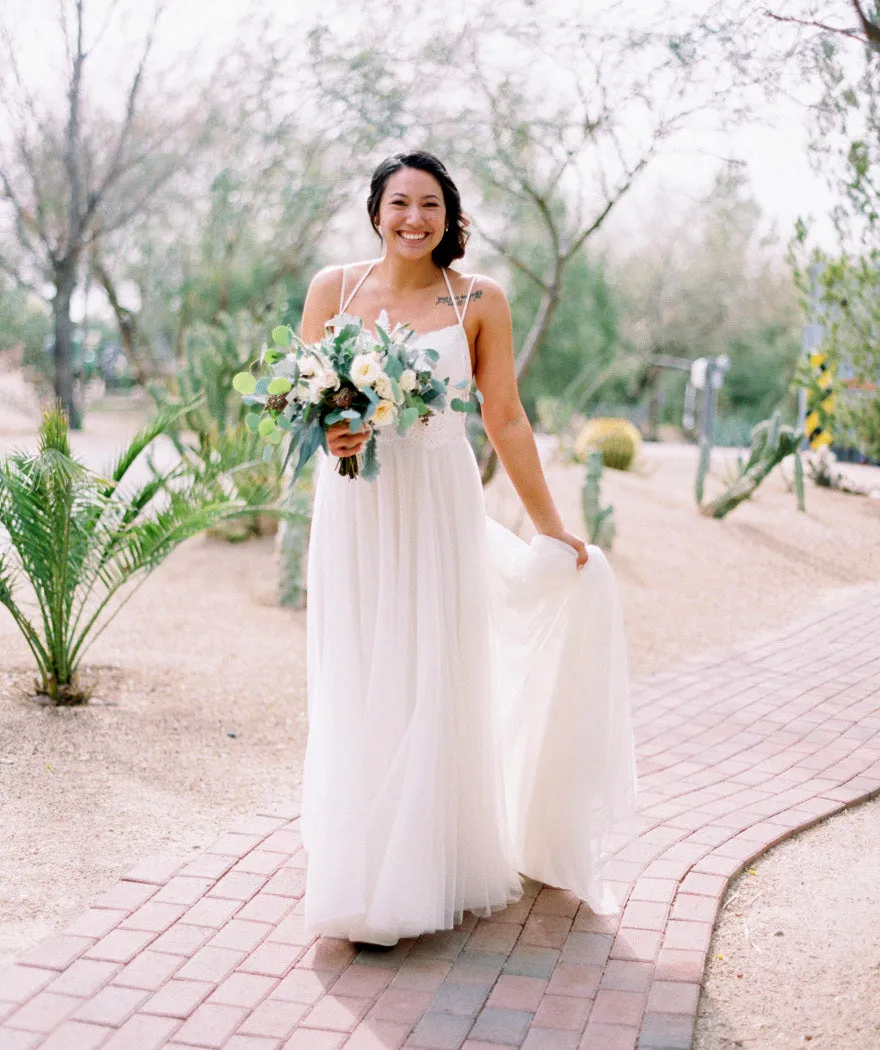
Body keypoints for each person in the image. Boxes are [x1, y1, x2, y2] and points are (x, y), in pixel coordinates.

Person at [299, 150, 636, 948]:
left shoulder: (480, 298)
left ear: (451, 217)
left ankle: (422, 873)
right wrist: (329, 427)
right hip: (355, 502)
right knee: (359, 670)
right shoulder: (332, 289)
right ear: (375, 210)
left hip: (439, 500)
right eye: (398, 203)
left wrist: (550, 525)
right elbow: (302, 399)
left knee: (431, 669)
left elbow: (506, 416)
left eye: (429, 205)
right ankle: (361, 870)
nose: (413, 219)